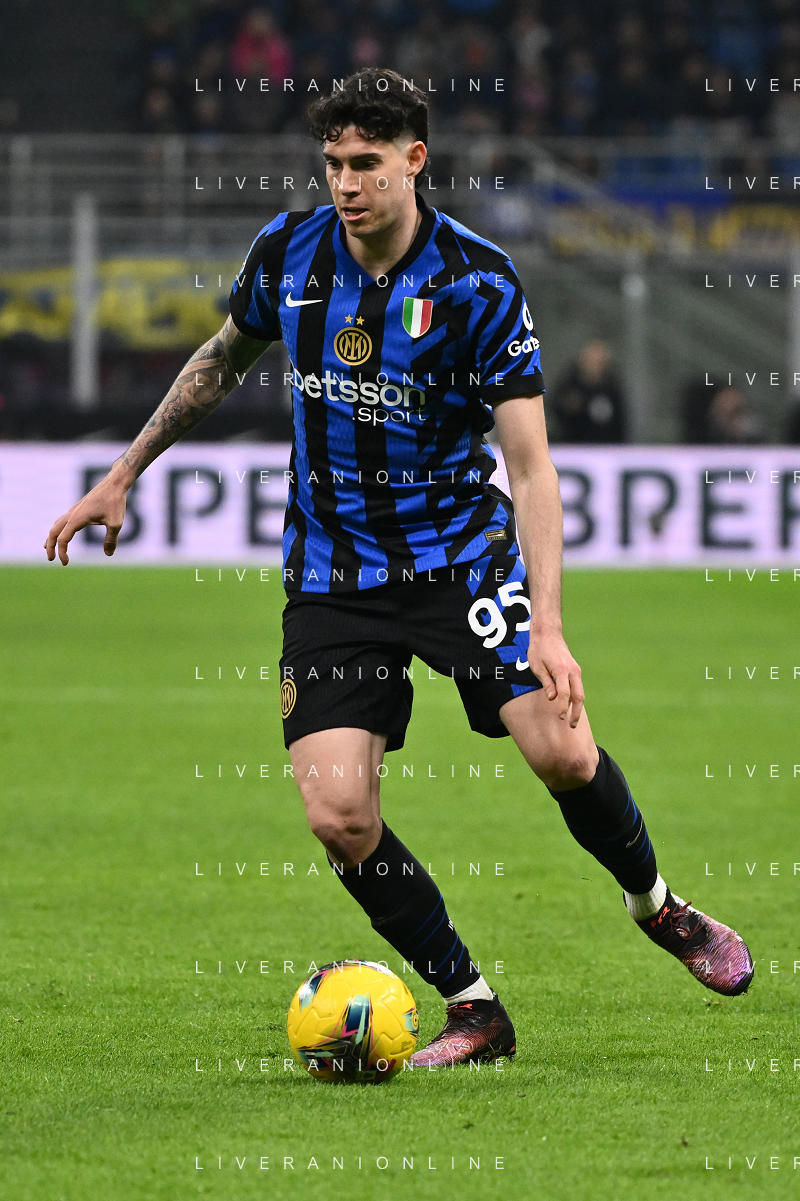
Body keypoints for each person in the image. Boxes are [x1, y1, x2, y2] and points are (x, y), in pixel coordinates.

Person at [45, 69, 754, 1068]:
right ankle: (474, 1007)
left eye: (366, 163)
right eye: (333, 163)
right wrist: (123, 472)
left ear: (413, 159)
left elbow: (531, 468)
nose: (345, 183)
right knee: (338, 815)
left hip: (459, 560)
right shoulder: (287, 253)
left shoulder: (476, 281)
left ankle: (658, 905)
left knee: (562, 752)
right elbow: (221, 357)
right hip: (333, 576)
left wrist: (549, 626)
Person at [550, 339, 626, 444]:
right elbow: (556, 410)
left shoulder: (612, 388)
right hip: (573, 446)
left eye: (599, 363)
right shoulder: (570, 386)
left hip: (606, 446)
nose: (595, 367)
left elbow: (620, 421)